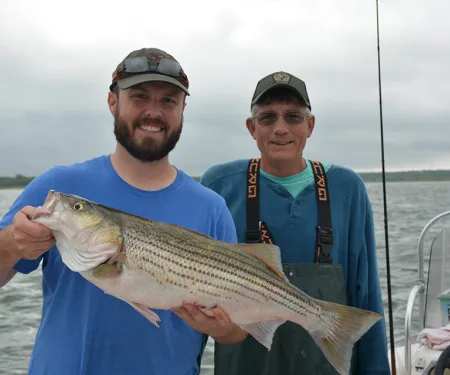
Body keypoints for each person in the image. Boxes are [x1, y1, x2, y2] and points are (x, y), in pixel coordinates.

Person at [0, 47, 247, 375]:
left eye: (168, 101)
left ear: (183, 108)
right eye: (140, 97)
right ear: (112, 102)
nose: (153, 112)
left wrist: (220, 328)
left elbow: (237, 330)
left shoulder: (212, 207)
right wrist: (9, 245)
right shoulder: (60, 186)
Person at [200, 71, 391, 374]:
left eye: (293, 117)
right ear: (251, 127)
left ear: (310, 125)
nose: (280, 128)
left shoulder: (346, 187)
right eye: (267, 118)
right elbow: (193, 287)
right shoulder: (219, 185)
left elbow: (365, 293)